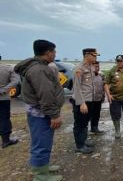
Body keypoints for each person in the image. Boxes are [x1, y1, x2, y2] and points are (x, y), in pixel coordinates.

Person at [14, 39, 64, 181]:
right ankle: (41, 175)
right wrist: (54, 115)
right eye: (54, 51)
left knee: (44, 141)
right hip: (41, 113)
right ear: (48, 53)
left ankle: (43, 166)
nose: (55, 54)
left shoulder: (40, 67)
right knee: (41, 142)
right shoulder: (39, 70)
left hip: (41, 112)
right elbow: (45, 94)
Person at [71, 48, 100, 154]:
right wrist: (82, 103)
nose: (95, 58)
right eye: (94, 55)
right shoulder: (79, 68)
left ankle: (83, 141)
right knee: (79, 123)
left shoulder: (91, 67)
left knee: (85, 122)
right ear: (87, 55)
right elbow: (77, 87)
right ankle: (79, 146)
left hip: (90, 100)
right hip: (82, 101)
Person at [0, 60, 20, 148]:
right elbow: (16, 80)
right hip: (3, 98)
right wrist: (4, 90)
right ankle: (5, 141)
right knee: (4, 118)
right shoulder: (7, 68)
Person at [90, 61, 104, 134]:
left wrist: (103, 96)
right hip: (90, 100)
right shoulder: (89, 76)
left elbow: (102, 87)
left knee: (96, 115)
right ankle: (85, 131)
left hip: (98, 99)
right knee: (89, 115)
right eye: (96, 66)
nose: (97, 68)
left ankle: (94, 128)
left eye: (98, 66)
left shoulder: (100, 76)